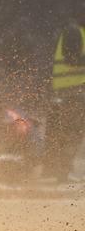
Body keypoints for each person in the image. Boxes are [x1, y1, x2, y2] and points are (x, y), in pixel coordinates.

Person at [43, 10, 85, 182]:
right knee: (70, 133)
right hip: (71, 92)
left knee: (69, 133)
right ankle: (60, 171)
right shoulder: (74, 32)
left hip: (74, 93)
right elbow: (71, 59)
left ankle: (60, 171)